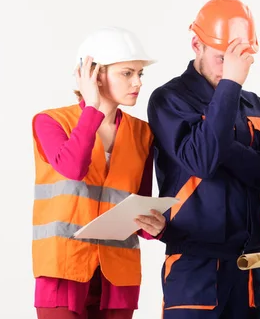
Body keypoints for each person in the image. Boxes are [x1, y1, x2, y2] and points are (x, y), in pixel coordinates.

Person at [146, 0, 260, 319]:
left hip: (248, 267)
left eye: (238, 61)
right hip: (194, 266)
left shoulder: (257, 108)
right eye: (222, 59)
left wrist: (222, 145)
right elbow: (203, 160)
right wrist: (230, 85)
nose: (228, 69)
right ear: (196, 45)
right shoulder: (169, 100)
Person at [31, 26, 167, 319]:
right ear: (93, 74)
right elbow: (73, 168)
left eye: (139, 74)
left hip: (117, 278)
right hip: (63, 270)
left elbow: (138, 203)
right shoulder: (50, 122)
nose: (137, 83)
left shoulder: (142, 133)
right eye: (127, 73)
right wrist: (92, 107)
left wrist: (154, 226)